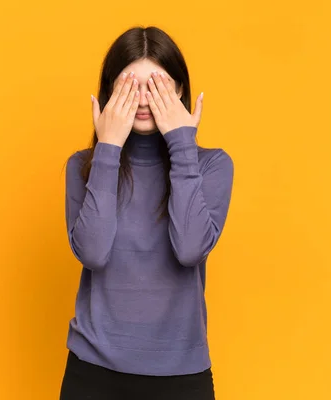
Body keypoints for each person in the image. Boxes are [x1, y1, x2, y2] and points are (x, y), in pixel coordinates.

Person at [59, 26, 234, 400]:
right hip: (93, 372)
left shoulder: (212, 166)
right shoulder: (84, 167)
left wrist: (182, 144)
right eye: (128, 85)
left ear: (181, 90)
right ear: (109, 91)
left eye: (156, 85)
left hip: (180, 375)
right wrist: (107, 147)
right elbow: (92, 252)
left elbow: (190, 250)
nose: (142, 99)